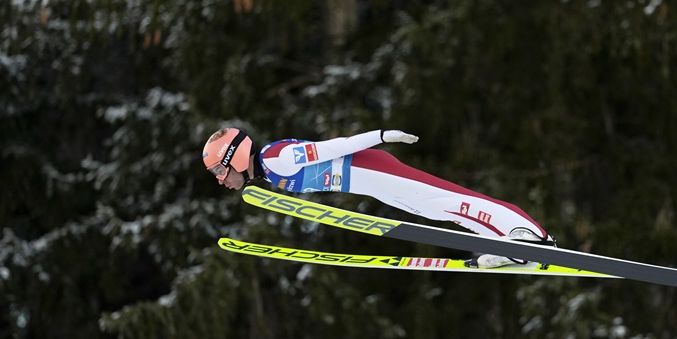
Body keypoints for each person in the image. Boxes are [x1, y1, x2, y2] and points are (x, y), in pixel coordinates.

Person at [202, 127, 555, 268]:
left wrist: (382, 135)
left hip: (372, 169)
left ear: (235, 157)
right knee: (438, 212)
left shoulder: (274, 158)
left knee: (447, 198)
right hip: (371, 184)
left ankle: (527, 235)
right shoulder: (270, 173)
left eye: (219, 171)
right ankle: (511, 248)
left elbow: (334, 148)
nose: (220, 180)